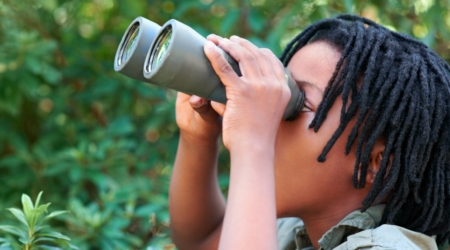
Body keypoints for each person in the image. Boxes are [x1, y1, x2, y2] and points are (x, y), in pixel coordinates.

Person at [168, 14, 450, 250]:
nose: (270, 114)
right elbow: (202, 241)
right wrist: (198, 139)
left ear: (375, 164)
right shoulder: (296, 231)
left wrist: (253, 143)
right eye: (281, 92)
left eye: (297, 103)